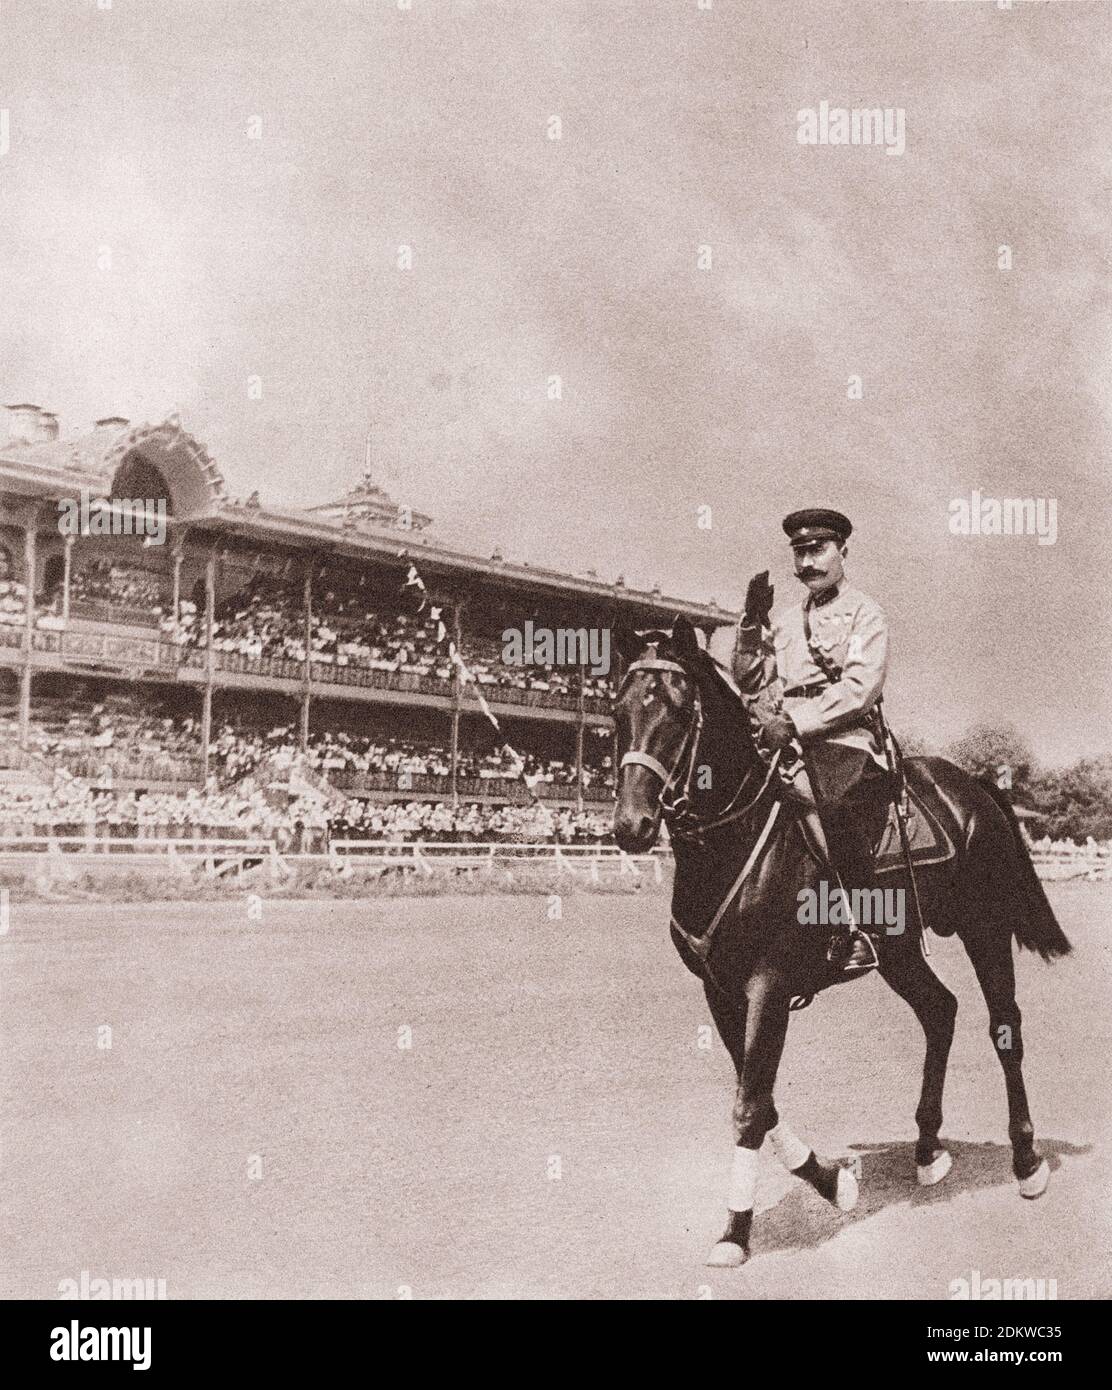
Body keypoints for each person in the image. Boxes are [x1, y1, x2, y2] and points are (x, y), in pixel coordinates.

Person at [732, 508, 892, 975]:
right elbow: (752, 679)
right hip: (789, 732)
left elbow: (861, 688)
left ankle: (866, 926)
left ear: (843, 551)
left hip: (847, 736)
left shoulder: (865, 612)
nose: (808, 562)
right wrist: (748, 626)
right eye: (800, 553)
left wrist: (796, 723)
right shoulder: (784, 620)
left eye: (818, 550)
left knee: (828, 801)